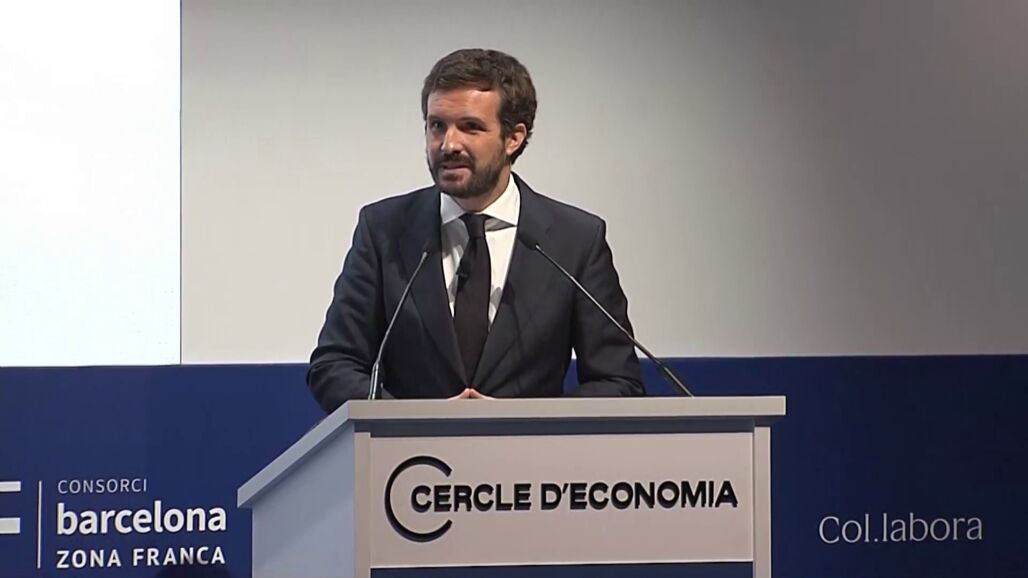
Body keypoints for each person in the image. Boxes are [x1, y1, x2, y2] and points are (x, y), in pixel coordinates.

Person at [307, 48, 644, 413]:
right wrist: (414, 420)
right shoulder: (384, 230)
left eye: (470, 127)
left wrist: (523, 420)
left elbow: (618, 382)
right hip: (410, 449)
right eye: (437, 125)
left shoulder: (574, 240)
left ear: (513, 138)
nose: (448, 144)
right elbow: (334, 367)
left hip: (531, 449)